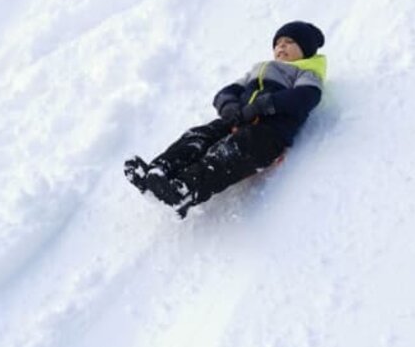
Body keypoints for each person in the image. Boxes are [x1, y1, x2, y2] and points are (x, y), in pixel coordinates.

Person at [124, 21, 326, 218]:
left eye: (289, 42)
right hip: (238, 120)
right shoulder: (259, 68)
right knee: (200, 135)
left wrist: (261, 106)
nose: (281, 46)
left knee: (231, 152)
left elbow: (305, 97)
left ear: (306, 49)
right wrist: (229, 106)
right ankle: (159, 171)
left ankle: (184, 189)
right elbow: (228, 91)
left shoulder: (308, 72)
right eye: (278, 43)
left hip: (269, 132)